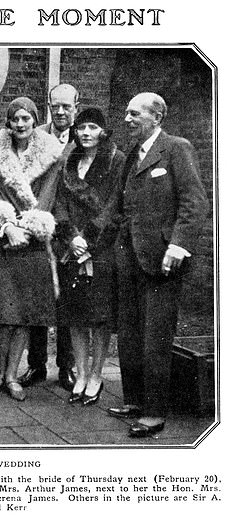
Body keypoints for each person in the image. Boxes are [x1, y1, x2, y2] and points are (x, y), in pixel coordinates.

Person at [105, 92, 208, 437]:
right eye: (126, 113)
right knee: (131, 335)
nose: (127, 119)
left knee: (155, 338)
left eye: (135, 114)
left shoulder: (177, 148)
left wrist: (178, 246)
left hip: (163, 261)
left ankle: (154, 411)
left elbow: (194, 203)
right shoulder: (131, 154)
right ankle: (134, 401)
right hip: (130, 258)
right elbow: (118, 207)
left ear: (157, 117)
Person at [0, 97, 64, 401]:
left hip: (33, 241)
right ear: (8, 122)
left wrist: (30, 226)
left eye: (26, 119)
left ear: (34, 121)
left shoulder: (51, 155)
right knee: (3, 312)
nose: (20, 125)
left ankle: (14, 374)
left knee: (24, 312)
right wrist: (6, 226)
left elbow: (48, 196)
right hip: (3, 239)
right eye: (15, 119)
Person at [54, 106, 126, 405]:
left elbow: (115, 203)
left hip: (102, 248)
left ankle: (96, 376)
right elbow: (59, 202)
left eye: (93, 128)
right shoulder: (69, 161)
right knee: (75, 315)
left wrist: (90, 238)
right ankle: (80, 374)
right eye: (82, 127)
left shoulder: (115, 160)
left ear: (103, 132)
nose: (86, 133)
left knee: (99, 318)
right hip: (73, 249)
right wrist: (71, 236)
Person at [19, 83, 79, 391]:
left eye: (66, 106)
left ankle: (66, 366)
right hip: (38, 223)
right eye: (55, 105)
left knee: (66, 299)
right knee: (37, 295)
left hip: (67, 230)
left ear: (75, 107)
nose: (60, 111)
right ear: (48, 107)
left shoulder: (83, 139)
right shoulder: (35, 136)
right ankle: (36, 364)